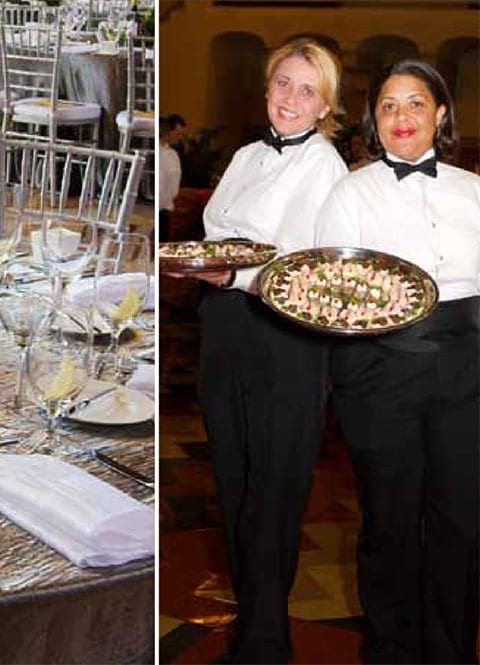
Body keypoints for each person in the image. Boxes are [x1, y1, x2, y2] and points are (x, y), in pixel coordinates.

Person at [166, 38, 348, 662]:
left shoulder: (324, 166)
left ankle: (268, 640)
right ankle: (252, 619)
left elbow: (303, 264)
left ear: (326, 105)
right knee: (233, 478)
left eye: (306, 90)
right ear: (267, 88)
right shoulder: (246, 154)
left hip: (284, 337)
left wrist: (233, 274)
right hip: (226, 327)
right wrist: (210, 270)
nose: (291, 99)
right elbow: (218, 231)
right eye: (282, 84)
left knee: (275, 487)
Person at [315, 60, 479, 664]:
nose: (402, 116)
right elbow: (333, 292)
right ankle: (390, 653)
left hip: (468, 369)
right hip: (380, 370)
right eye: (388, 105)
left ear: (440, 114)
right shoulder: (350, 191)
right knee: (388, 525)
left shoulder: (475, 191)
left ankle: (452, 653)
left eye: (415, 103)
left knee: (461, 525)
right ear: (372, 120)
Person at [158, 114, 186, 243]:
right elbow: (171, 187)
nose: (179, 138)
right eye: (178, 133)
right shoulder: (169, 155)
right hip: (162, 209)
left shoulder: (170, 153)